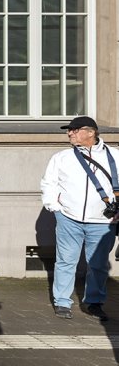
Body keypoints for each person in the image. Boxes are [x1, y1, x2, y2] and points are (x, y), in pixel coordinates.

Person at [41, 115, 119, 321]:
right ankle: (62, 302)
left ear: (91, 132)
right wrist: (55, 207)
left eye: (74, 130)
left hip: (103, 221)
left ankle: (94, 303)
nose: (69, 133)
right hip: (69, 218)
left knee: (99, 264)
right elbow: (49, 183)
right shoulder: (62, 157)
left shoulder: (115, 156)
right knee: (66, 261)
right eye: (69, 130)